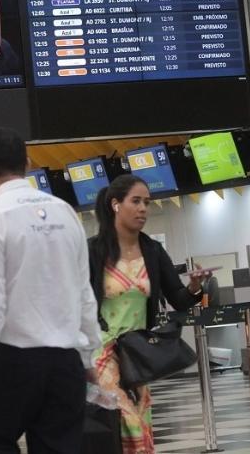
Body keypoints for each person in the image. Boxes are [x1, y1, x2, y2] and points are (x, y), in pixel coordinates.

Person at [0, 128, 103, 453]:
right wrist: (88, 357)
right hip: (65, 361)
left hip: (11, 360)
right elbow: (84, 294)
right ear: (28, 161)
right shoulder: (66, 213)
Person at [87, 174, 210, 453]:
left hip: (136, 352)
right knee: (126, 418)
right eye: (136, 201)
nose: (143, 208)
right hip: (99, 351)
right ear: (115, 205)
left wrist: (194, 287)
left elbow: (178, 299)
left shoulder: (152, 250)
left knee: (142, 419)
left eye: (147, 202)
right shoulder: (93, 251)